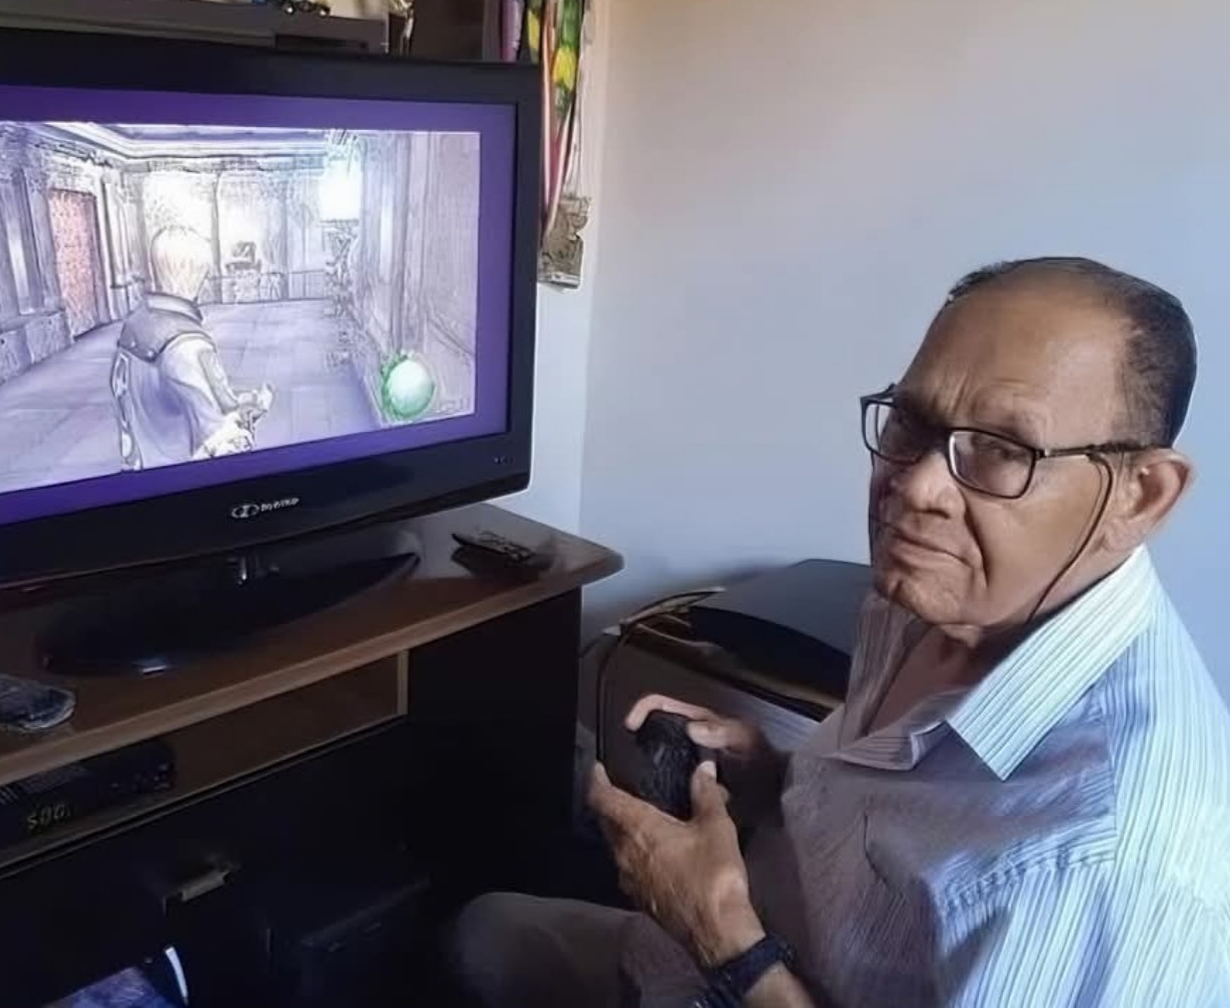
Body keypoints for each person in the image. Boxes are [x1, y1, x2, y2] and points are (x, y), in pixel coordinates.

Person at [451, 257, 1230, 1008]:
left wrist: (722, 942)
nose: (916, 486)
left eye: (1002, 450)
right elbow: (897, 820)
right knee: (479, 933)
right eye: (911, 423)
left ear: (1141, 496)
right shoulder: (933, 593)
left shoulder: (1112, 868)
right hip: (686, 955)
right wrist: (777, 780)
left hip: (722, 960)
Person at [110, 225, 273, 470]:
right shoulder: (187, 344)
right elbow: (224, 441)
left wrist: (240, 400)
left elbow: (162, 400)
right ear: (197, 274)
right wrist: (248, 418)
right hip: (178, 481)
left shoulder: (137, 323)